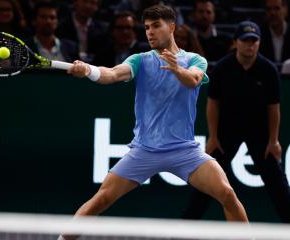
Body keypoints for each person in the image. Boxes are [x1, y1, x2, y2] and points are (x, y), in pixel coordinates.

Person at [61, 5, 249, 239]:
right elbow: (112, 74)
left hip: (184, 151)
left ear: (171, 27)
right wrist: (88, 70)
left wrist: (176, 69)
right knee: (101, 199)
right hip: (144, 151)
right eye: (147, 27)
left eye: (156, 26)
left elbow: (192, 81)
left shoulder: (195, 60)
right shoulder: (139, 60)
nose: (149, 32)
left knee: (227, 193)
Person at [181, 20, 290, 223]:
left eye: (254, 41)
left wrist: (273, 140)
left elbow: (274, 108)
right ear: (236, 42)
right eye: (245, 40)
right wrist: (213, 136)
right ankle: (186, 226)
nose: (250, 45)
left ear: (260, 43)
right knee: (208, 178)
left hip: (259, 131)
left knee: (276, 181)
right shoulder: (222, 68)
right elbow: (212, 103)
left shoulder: (268, 70)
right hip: (227, 131)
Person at [259, 0, 290, 65]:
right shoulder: (259, 34)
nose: (272, 13)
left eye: (277, 8)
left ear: (286, 10)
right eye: (268, 9)